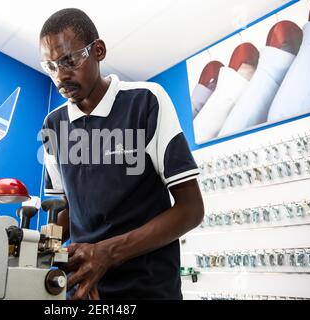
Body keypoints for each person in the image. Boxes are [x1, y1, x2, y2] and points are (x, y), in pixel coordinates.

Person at [39, 8, 204, 300]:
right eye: (50, 66)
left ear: (98, 51)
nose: (61, 75)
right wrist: (32, 245)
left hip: (148, 290)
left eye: (69, 60)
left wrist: (108, 253)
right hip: (82, 290)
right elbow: (69, 209)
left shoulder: (146, 101)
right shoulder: (53, 125)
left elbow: (190, 209)